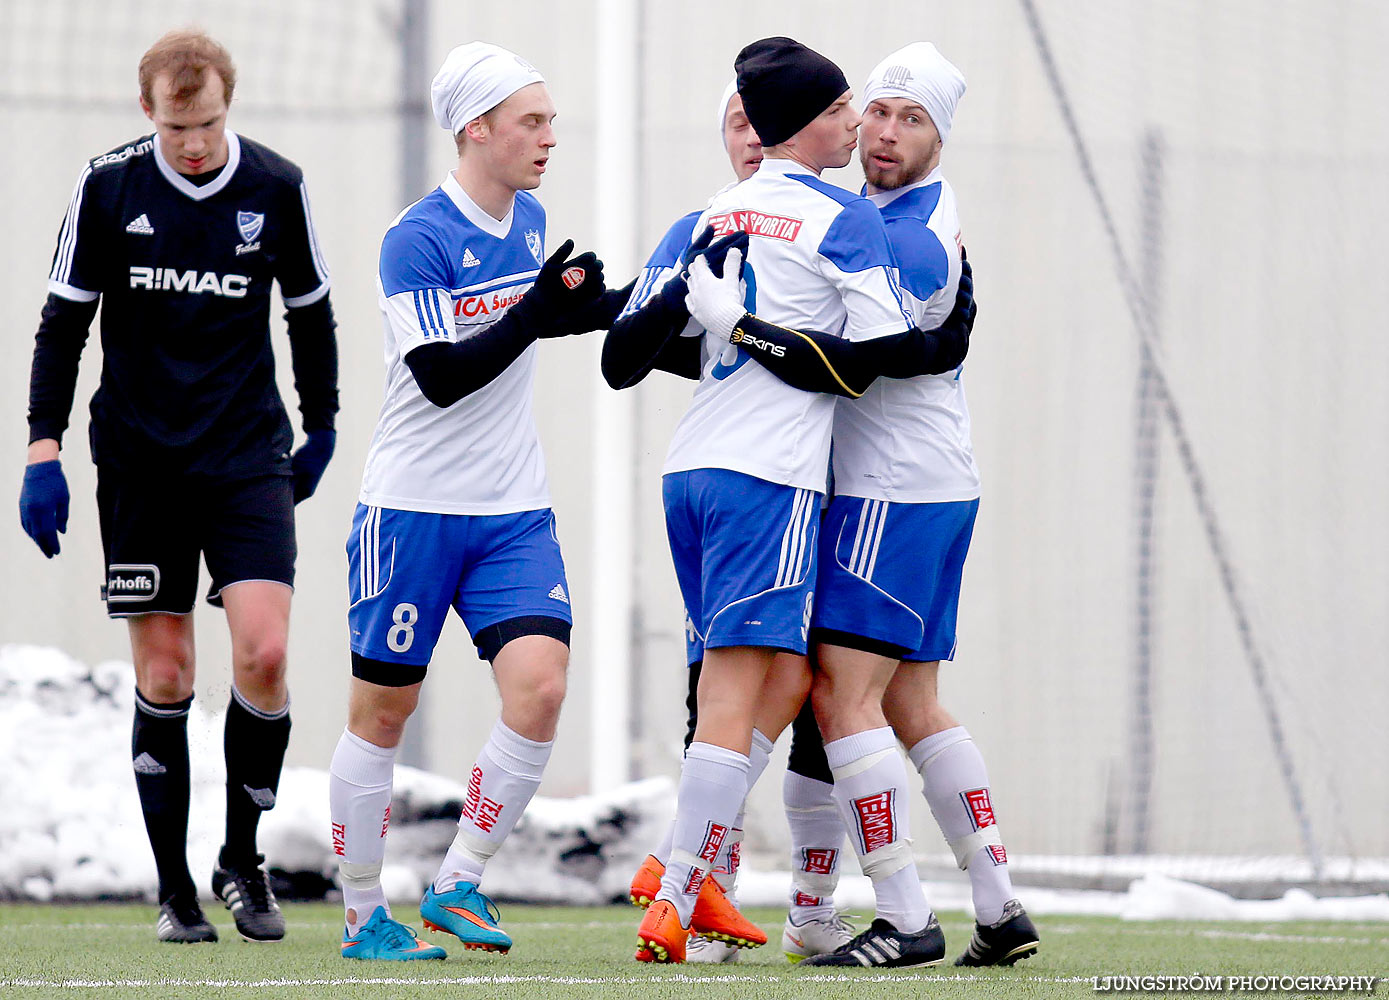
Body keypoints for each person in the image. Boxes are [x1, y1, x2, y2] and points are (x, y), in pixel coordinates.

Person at [683, 42, 1038, 969]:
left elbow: (864, 359)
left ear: (939, 138)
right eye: (874, 111)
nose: (882, 132)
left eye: (909, 119)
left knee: (841, 697)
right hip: (922, 483)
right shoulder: (875, 214)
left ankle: (904, 914)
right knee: (911, 701)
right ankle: (997, 907)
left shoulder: (902, 231)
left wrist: (737, 314)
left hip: (891, 490)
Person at [632, 36, 962, 966]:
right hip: (768, 480)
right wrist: (943, 337)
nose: (858, 126)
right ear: (807, 125)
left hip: (689, 470)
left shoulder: (711, 213)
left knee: (780, 681)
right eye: (842, 110)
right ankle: (682, 894)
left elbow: (627, 344)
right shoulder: (839, 218)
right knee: (742, 694)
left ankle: (722, 886)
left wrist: (715, 326)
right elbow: (870, 362)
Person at [19, 29, 338, 944]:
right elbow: (61, 328)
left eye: (206, 123)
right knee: (167, 673)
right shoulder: (107, 186)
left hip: (244, 457)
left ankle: (242, 859)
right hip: (140, 463)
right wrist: (44, 449)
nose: (192, 143)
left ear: (226, 107)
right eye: (175, 126)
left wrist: (322, 424)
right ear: (146, 112)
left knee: (266, 655)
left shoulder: (275, 186)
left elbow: (310, 313)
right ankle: (174, 890)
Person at [327, 41, 622, 962]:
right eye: (531, 121)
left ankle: (457, 882)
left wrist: (627, 306)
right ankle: (362, 915)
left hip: (511, 510)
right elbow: (445, 376)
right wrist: (534, 311)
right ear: (476, 130)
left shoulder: (528, 219)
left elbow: (538, 318)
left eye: (550, 120)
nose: (548, 138)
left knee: (540, 689)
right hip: (412, 510)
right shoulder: (413, 238)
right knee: (383, 715)